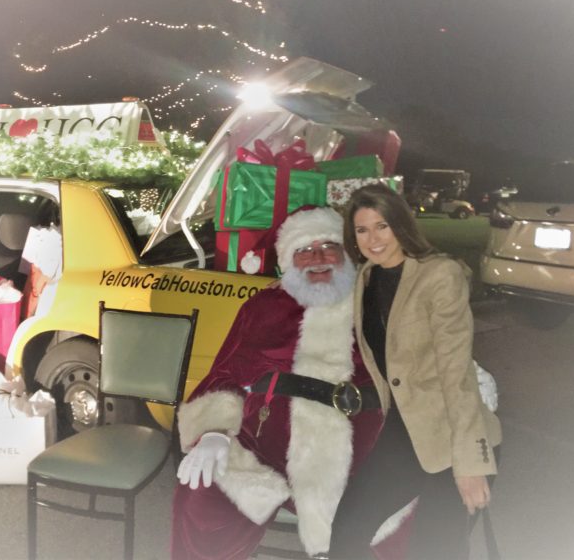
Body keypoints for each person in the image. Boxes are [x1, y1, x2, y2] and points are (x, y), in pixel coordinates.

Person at [170, 207, 384, 560]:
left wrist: (465, 377)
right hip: (264, 446)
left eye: (328, 247)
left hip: (357, 448)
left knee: (408, 517)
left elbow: (421, 352)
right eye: (304, 250)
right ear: (288, 261)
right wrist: (213, 432)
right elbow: (226, 373)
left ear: (346, 253)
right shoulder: (264, 306)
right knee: (201, 496)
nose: (317, 258)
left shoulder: (375, 303)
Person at [329, 183, 503, 560]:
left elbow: (456, 374)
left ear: (400, 224)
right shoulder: (367, 277)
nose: (373, 239)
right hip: (404, 431)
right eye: (362, 230)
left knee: (435, 549)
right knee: (347, 529)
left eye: (382, 226)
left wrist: (469, 464)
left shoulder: (438, 275)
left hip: (453, 434)